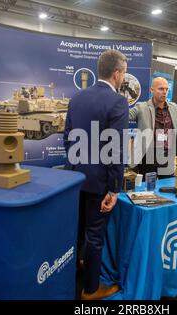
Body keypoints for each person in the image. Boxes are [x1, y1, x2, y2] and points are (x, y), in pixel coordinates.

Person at [63, 49, 129, 300]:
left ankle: (72, 275)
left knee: (76, 232)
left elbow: (68, 137)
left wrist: (77, 163)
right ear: (116, 73)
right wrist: (114, 189)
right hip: (99, 182)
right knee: (94, 236)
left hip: (74, 178)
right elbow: (115, 148)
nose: (123, 78)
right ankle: (90, 290)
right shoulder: (117, 102)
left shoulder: (77, 97)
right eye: (123, 74)